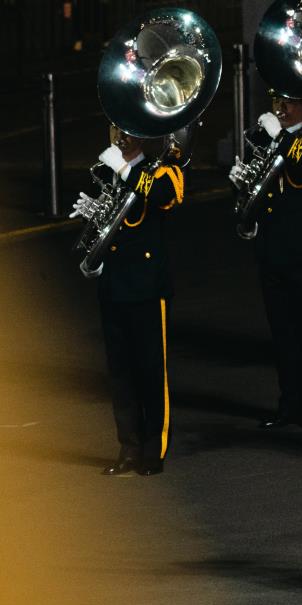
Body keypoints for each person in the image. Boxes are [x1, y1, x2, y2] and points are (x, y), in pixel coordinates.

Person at [71, 125, 184, 476]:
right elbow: (100, 219)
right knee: (120, 374)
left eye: (129, 131)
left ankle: (154, 449)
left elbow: (165, 196)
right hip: (114, 284)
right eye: (117, 129)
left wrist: (124, 169)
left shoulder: (162, 171)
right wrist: (94, 253)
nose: (121, 137)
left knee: (151, 371)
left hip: (147, 286)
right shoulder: (104, 169)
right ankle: (128, 448)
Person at [231, 92, 302, 430]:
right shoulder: (263, 138)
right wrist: (242, 188)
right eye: (277, 99)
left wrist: (280, 138)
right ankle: (289, 402)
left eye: (290, 101)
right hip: (273, 247)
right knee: (282, 332)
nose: (282, 107)